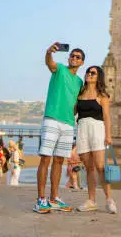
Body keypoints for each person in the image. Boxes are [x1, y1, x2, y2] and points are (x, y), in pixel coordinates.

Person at [33, 44, 85, 214]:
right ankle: (41, 200)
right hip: (52, 119)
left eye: (78, 57)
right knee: (45, 159)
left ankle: (54, 198)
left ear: (82, 62)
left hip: (69, 123)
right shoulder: (60, 69)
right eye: (72, 55)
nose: (74, 58)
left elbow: (76, 104)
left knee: (59, 161)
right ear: (68, 57)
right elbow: (50, 63)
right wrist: (49, 52)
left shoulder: (79, 81)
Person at [75, 65, 117, 214]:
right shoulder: (79, 93)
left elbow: (106, 117)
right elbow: (74, 111)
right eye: (87, 72)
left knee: (100, 167)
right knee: (89, 168)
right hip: (82, 130)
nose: (89, 74)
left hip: (97, 130)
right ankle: (91, 201)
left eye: (92, 73)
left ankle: (109, 199)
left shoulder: (102, 96)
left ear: (98, 77)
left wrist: (108, 136)